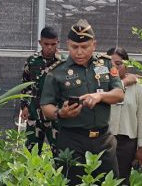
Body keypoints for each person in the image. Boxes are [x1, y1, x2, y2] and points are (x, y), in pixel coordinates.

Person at [40, 19, 125, 185]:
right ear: (67, 45)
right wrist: (60, 113)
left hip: (103, 141)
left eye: (84, 47)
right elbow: (45, 106)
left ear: (94, 44)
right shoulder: (57, 71)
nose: (79, 52)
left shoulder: (106, 63)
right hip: (72, 140)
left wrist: (100, 97)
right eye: (74, 47)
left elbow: (119, 93)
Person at [107, 47, 142, 184]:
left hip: (127, 143)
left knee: (122, 179)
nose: (115, 68)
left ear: (127, 64)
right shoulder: (102, 85)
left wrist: (141, 147)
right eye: (111, 64)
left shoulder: (138, 87)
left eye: (118, 64)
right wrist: (123, 84)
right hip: (104, 141)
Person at [20, 26, 62, 156]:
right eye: (46, 44)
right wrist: (25, 106)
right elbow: (25, 85)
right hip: (34, 114)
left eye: (53, 44)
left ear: (58, 43)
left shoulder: (64, 63)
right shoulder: (32, 61)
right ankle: (32, 177)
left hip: (55, 115)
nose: (49, 47)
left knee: (60, 154)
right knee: (31, 154)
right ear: (40, 43)